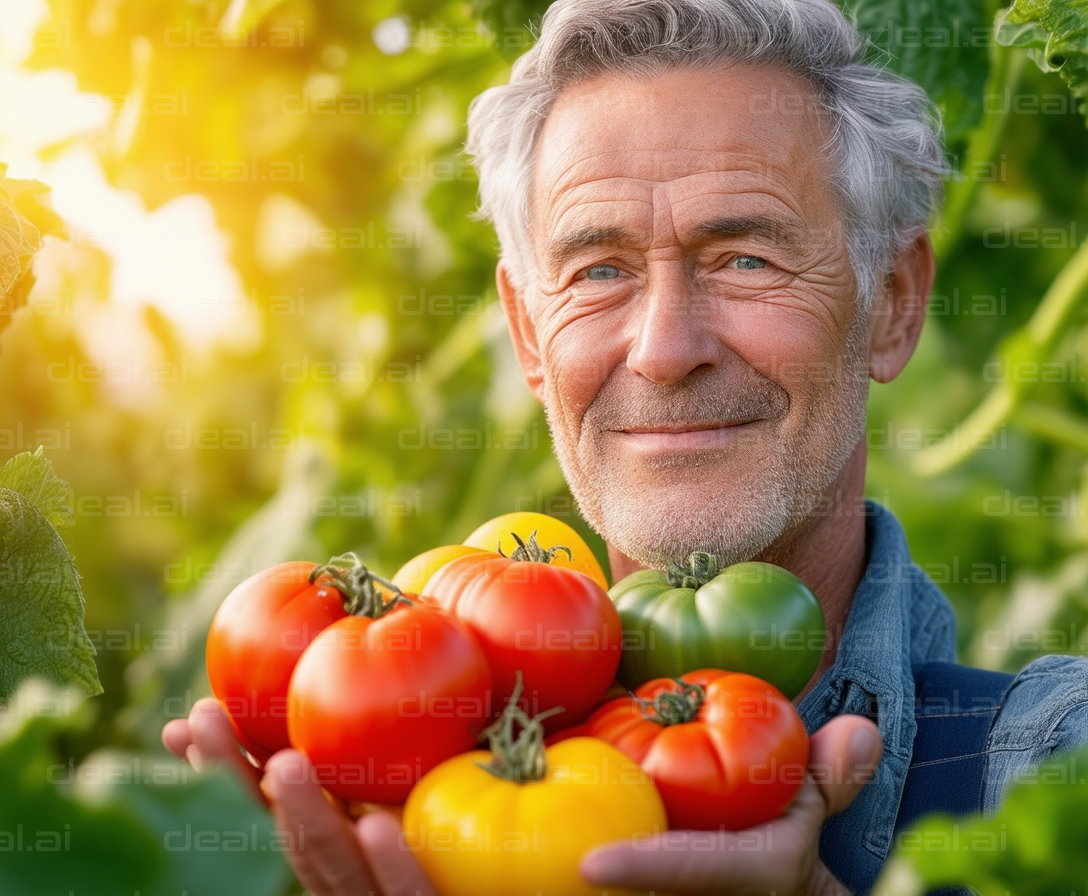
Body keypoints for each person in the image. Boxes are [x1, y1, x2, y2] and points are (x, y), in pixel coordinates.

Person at [163, 0, 1088, 893]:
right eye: (598, 270)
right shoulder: (380, 782)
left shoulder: (1052, 763)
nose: (664, 349)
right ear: (528, 336)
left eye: (744, 259)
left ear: (892, 303)